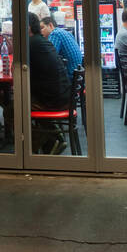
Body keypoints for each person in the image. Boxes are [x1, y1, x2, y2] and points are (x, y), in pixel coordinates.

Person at [28, 17, 73, 153]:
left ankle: (47, 142)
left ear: (28, 27)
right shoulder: (41, 41)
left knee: (13, 109)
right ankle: (53, 136)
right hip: (65, 96)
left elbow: (16, 69)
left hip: (54, 101)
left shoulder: (30, 43)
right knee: (29, 100)